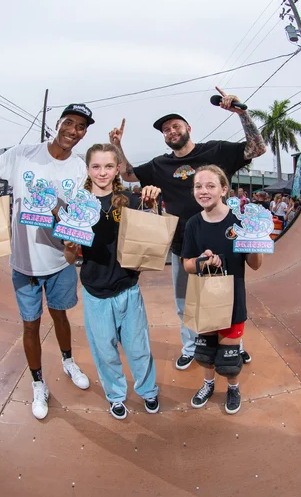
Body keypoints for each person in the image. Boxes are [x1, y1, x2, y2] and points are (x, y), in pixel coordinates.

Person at [109, 87, 266, 370]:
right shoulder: (160, 164)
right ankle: (191, 346)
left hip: (225, 239)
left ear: (188, 128)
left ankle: (233, 345)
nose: (171, 131)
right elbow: (128, 174)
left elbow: (257, 148)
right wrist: (118, 146)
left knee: (228, 296)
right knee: (185, 300)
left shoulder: (216, 150)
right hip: (183, 245)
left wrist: (242, 113)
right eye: (166, 130)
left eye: (175, 126)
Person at [0, 103, 96, 420]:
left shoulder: (80, 168)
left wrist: (70, 229)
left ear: (83, 134)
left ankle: (67, 361)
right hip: (24, 263)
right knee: (31, 324)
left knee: (61, 316)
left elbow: (80, 213)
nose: (73, 130)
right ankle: (38, 383)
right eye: (69, 122)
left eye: (81, 127)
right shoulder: (23, 154)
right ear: (58, 123)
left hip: (60, 261)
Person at [64, 143, 160, 420]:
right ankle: (116, 396)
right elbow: (70, 257)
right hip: (95, 293)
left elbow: (149, 239)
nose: (102, 172)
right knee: (105, 352)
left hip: (128, 289)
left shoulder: (128, 200)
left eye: (108, 166)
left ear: (118, 168)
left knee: (138, 348)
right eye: (96, 166)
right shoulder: (77, 205)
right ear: (88, 169)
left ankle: (148, 389)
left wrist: (151, 207)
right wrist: (70, 246)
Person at [181, 165, 263, 414]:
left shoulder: (239, 221)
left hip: (233, 300)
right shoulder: (193, 224)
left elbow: (255, 265)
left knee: (229, 358)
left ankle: (233, 387)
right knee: (205, 353)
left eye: (210, 186)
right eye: (198, 186)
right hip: (205, 299)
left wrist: (253, 240)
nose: (203, 191)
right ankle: (207, 385)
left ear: (224, 189)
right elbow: (187, 265)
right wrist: (203, 261)